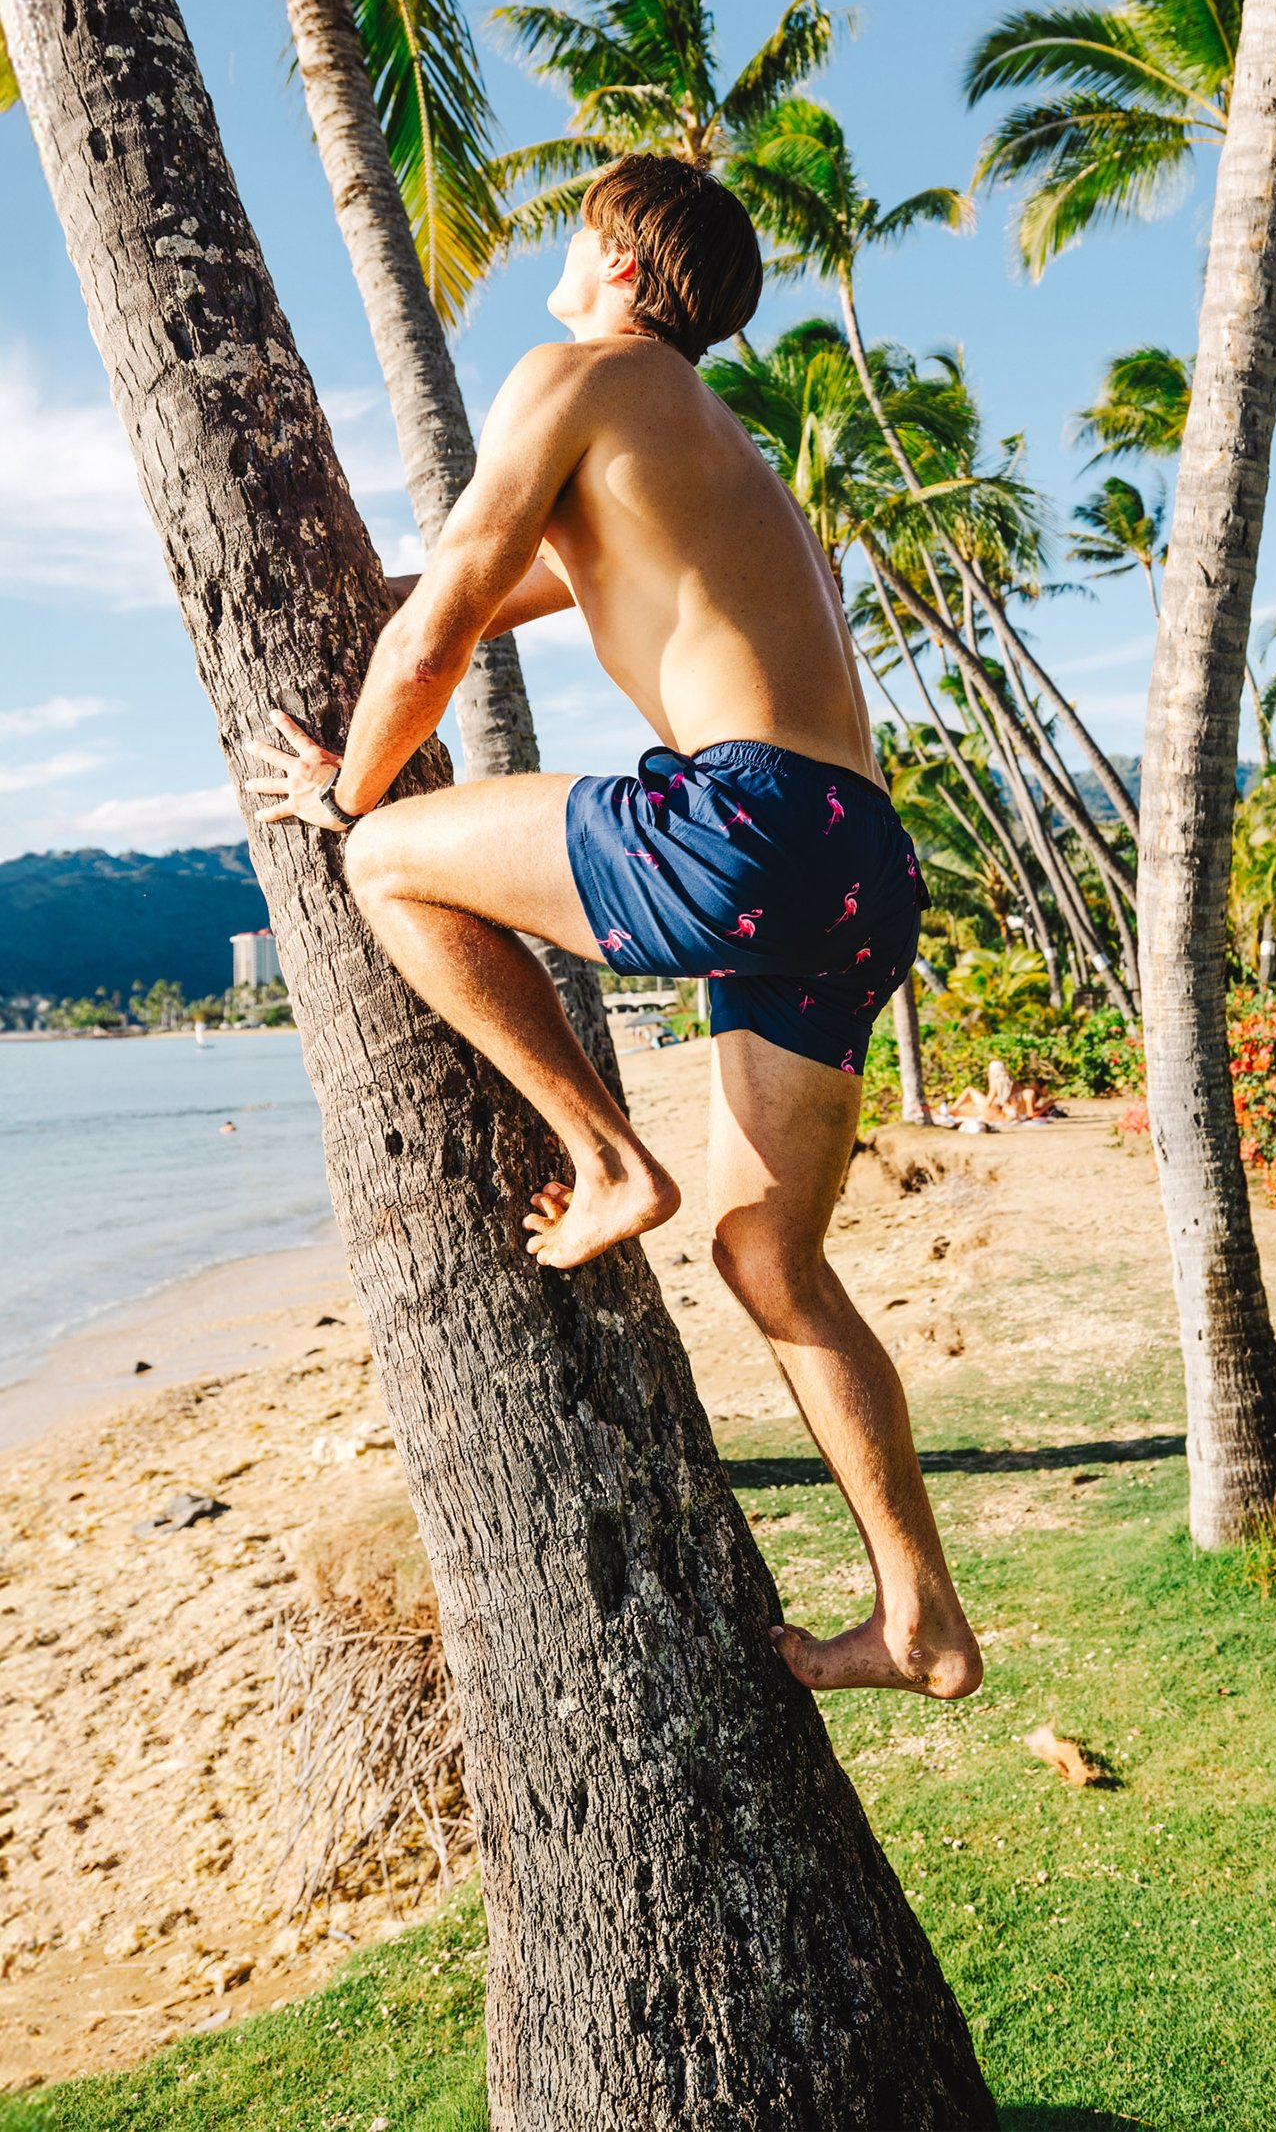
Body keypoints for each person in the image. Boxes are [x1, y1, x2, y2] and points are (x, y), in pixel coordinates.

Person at [244, 155, 980, 1703]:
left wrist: (348, 785)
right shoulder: (721, 457)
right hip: (861, 862)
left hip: (750, 822)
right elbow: (495, 580)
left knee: (384, 862)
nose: (558, 264)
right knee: (771, 1259)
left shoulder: (573, 375)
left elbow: (441, 618)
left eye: (576, 236)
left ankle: (604, 1153)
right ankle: (918, 1614)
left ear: (624, 267)